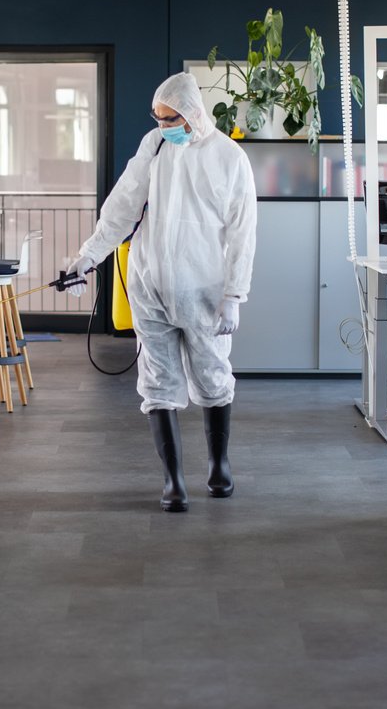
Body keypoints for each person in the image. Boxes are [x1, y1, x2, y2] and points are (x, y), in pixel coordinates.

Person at [67, 73, 257, 512]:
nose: (164, 124)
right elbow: (121, 207)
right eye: (158, 117)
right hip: (149, 284)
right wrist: (87, 257)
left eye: (171, 118)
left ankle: (219, 465)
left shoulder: (229, 158)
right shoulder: (154, 147)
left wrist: (235, 294)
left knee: (212, 375)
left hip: (204, 288)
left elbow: (243, 233)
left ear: (192, 115)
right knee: (158, 380)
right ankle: (173, 481)